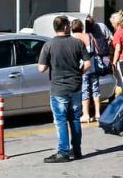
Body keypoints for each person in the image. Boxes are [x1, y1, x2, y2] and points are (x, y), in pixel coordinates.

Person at [38, 15, 90, 163]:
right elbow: (87, 64)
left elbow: (41, 68)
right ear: (67, 27)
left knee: (60, 121)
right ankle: (77, 149)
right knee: (74, 119)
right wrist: (78, 73)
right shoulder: (78, 43)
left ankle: (63, 152)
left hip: (58, 89)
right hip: (76, 87)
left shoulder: (49, 45)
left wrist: (50, 63)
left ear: (55, 28)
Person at [71, 19, 102, 124]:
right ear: (82, 27)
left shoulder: (73, 38)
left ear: (72, 28)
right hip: (93, 66)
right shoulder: (90, 36)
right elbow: (97, 49)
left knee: (85, 90)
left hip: (83, 67)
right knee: (95, 90)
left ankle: (86, 114)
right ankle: (98, 114)